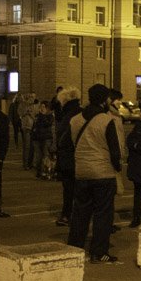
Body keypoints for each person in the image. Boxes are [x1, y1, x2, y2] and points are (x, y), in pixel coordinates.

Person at [68, 84, 122, 263]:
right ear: (105, 99)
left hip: (81, 172)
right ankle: (99, 252)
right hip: (102, 173)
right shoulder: (106, 120)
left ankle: (75, 247)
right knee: (103, 214)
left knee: (80, 213)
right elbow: (115, 150)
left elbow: (69, 143)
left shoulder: (75, 120)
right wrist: (118, 167)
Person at [53, 86, 83, 227]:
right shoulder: (81, 113)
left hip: (69, 158)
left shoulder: (69, 117)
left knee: (69, 189)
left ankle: (67, 215)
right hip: (81, 157)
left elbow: (63, 140)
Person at [31, 102, 54, 178]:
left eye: (43, 107)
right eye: (40, 107)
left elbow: (47, 124)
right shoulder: (37, 116)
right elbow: (35, 126)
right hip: (37, 138)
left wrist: (43, 115)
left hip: (46, 138)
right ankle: (39, 172)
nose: (41, 108)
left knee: (45, 155)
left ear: (47, 108)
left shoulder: (50, 116)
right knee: (38, 156)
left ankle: (46, 172)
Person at [19, 91, 38, 169]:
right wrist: (26, 110)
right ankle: (26, 164)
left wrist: (31, 114)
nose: (32, 99)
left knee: (32, 147)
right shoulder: (23, 105)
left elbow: (36, 116)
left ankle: (31, 163)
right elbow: (20, 113)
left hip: (34, 128)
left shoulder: (35, 106)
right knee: (27, 146)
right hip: (26, 127)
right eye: (30, 97)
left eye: (33, 97)